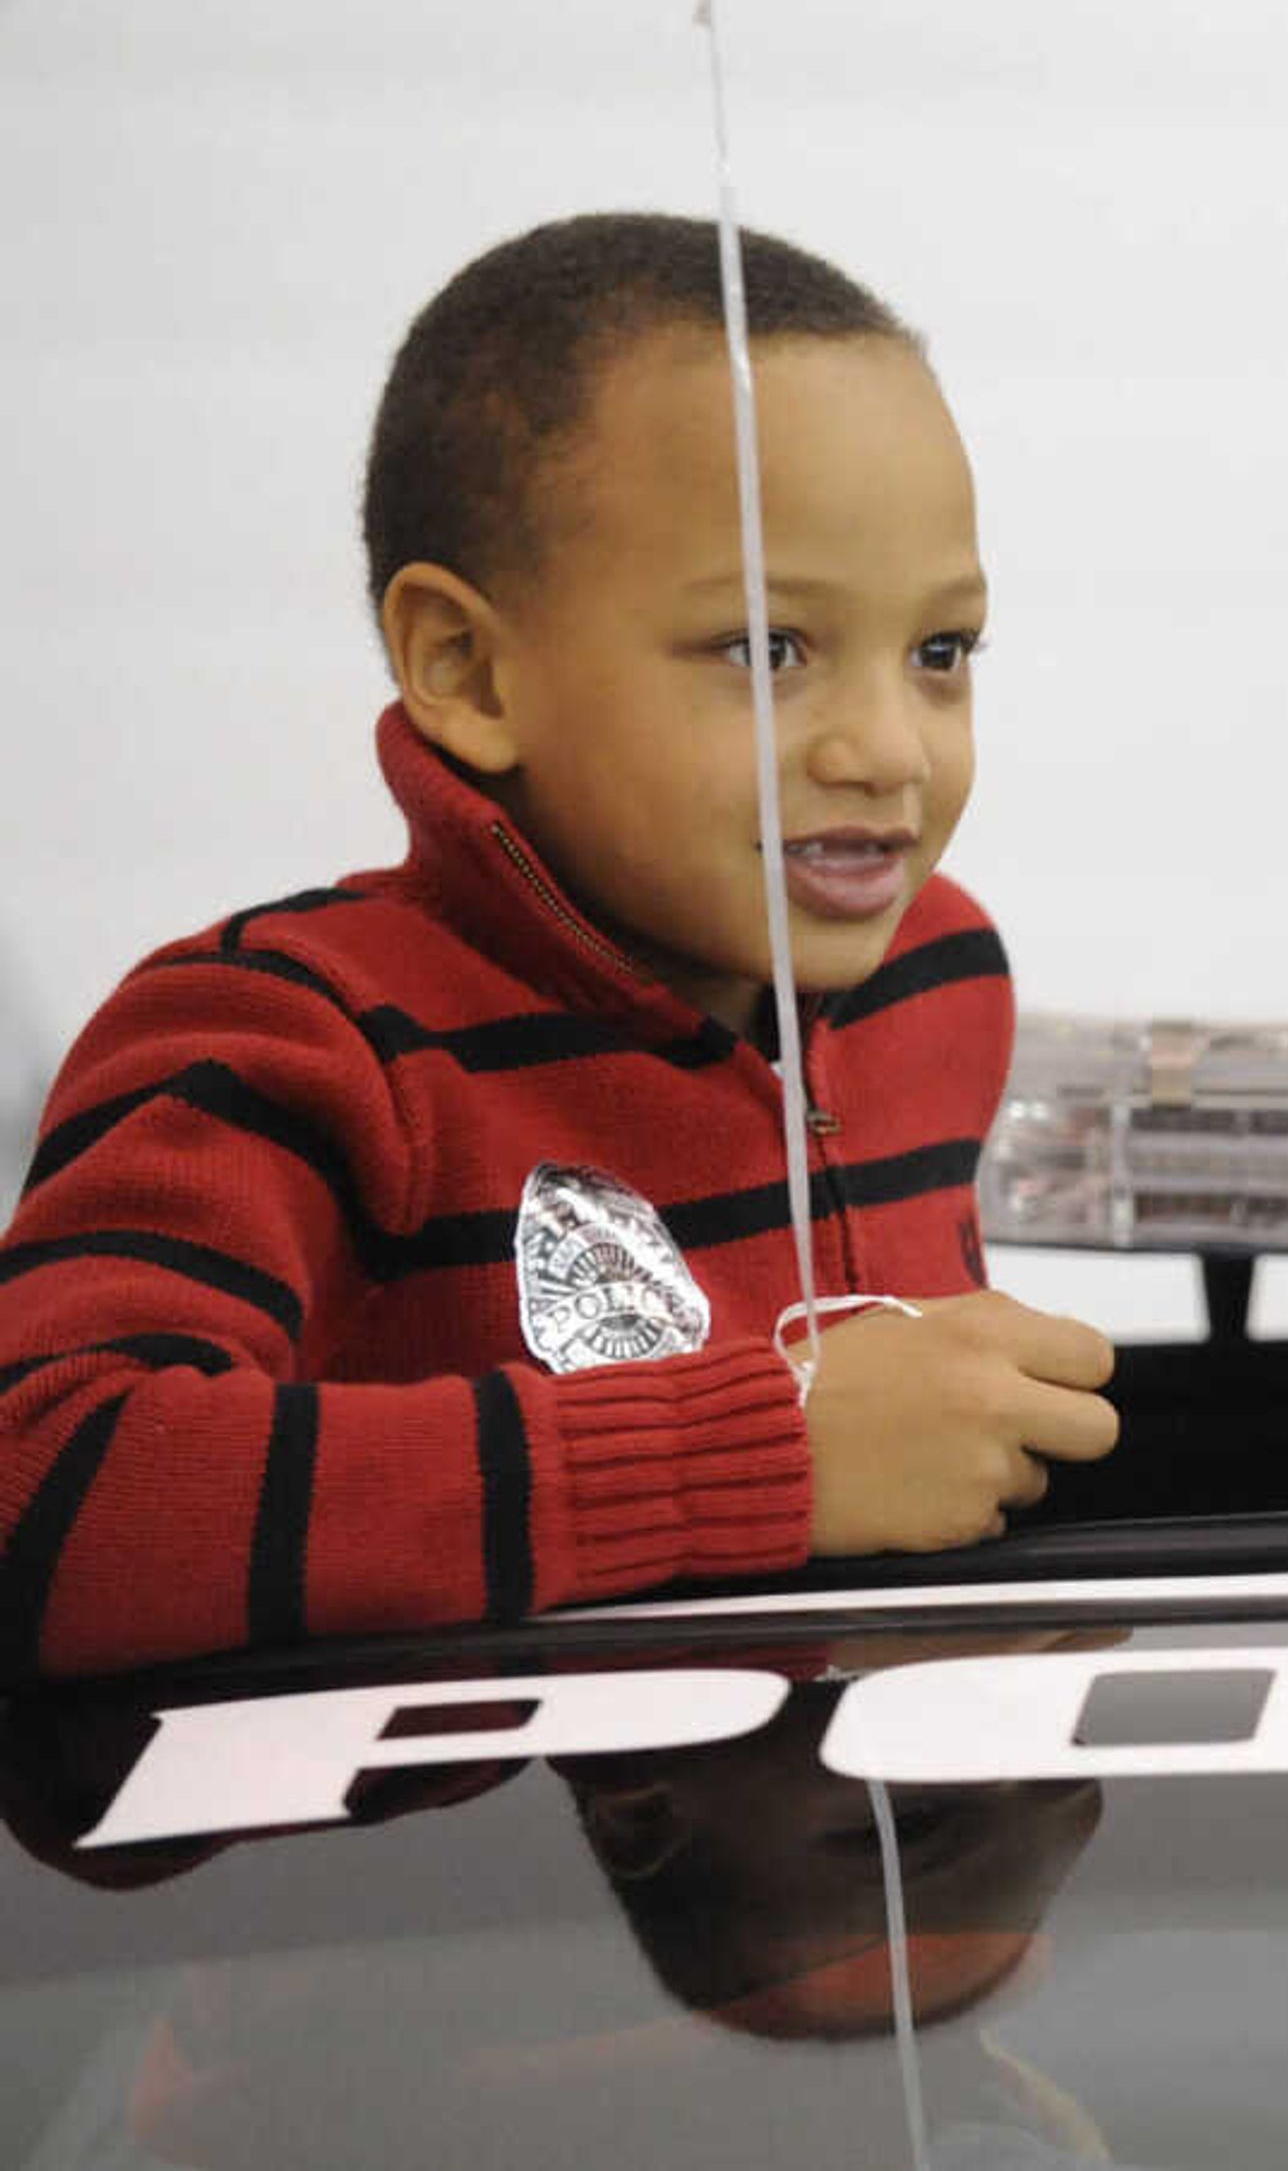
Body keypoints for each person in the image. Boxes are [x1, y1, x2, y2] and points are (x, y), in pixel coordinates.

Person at [0, 212, 1120, 1683]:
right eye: (767, 648)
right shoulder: (290, 1036)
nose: (887, 750)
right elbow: (48, 1493)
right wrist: (758, 1454)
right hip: (433, 1910)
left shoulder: (937, 975)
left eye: (940, 652)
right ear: (466, 669)